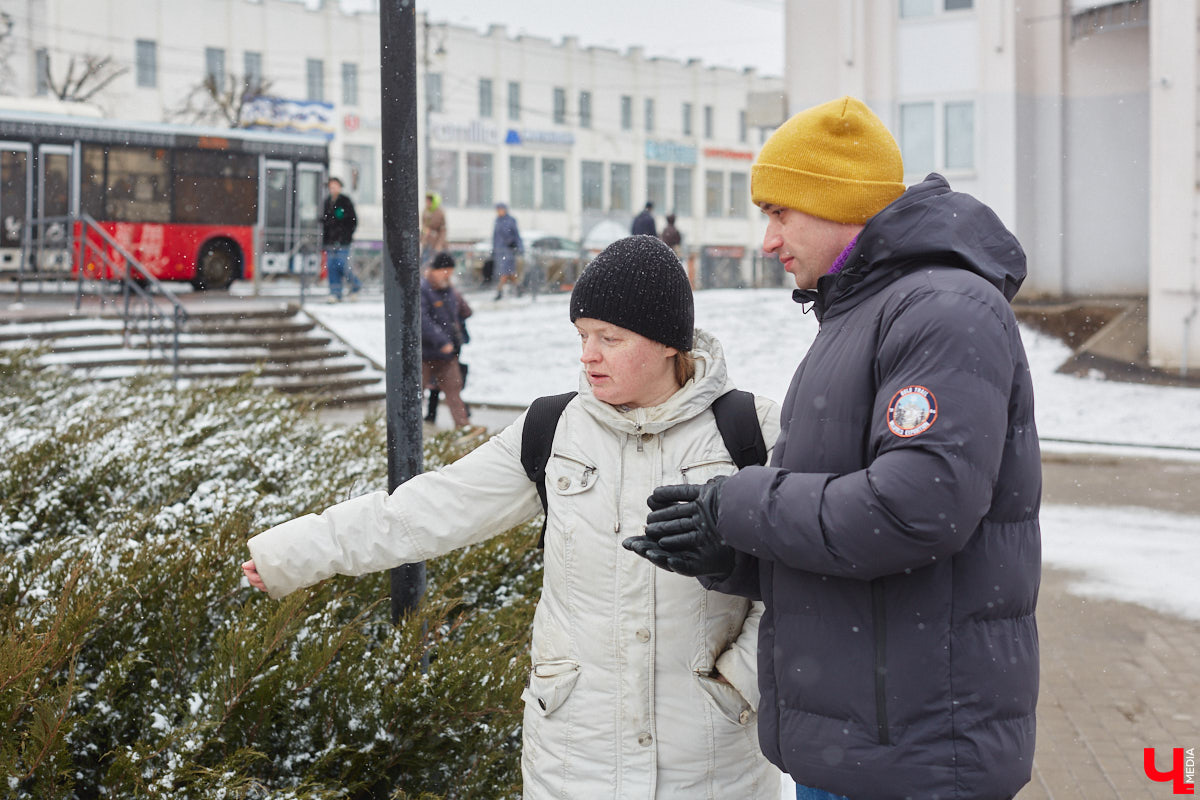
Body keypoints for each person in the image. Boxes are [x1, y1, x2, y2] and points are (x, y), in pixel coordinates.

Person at [241, 235, 783, 800]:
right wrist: (291, 554)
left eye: (610, 338)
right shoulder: (552, 431)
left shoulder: (752, 433)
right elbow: (424, 510)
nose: (587, 354)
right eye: (582, 336)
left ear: (669, 343)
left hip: (714, 765)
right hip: (573, 763)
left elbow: (805, 578)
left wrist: (740, 679)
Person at [623, 96, 1042, 800]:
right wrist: (732, 557)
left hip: (918, 758)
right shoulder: (858, 315)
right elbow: (848, 533)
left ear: (837, 200)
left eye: (779, 212)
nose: (768, 241)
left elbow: (915, 509)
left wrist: (739, 501)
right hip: (863, 744)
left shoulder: (940, 309)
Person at [417, 251, 474, 430]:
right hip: (426, 353)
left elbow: (463, 312)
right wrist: (441, 341)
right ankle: (407, 429)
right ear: (434, 270)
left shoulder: (449, 290)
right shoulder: (423, 290)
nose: (447, 274)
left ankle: (463, 427)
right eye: (445, 270)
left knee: (454, 391)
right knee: (415, 393)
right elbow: (423, 321)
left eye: (450, 271)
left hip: (448, 354)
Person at [321, 177, 361, 302]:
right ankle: (335, 292)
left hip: (343, 241)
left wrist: (346, 235)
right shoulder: (327, 202)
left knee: (342, 265)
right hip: (330, 241)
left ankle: (355, 286)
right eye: (330, 187)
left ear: (339, 187)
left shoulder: (345, 201)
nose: (332, 189)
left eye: (334, 186)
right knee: (332, 267)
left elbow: (352, 220)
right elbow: (326, 223)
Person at [491, 202, 523, 300]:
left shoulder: (511, 221)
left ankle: (499, 291)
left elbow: (516, 235)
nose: (499, 211)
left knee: (504, 272)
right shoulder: (497, 221)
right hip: (499, 251)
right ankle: (518, 288)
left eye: (500, 209)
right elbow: (495, 237)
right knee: (509, 273)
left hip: (508, 251)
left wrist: (519, 248)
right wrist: (493, 249)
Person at [420, 191, 447, 267]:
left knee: (434, 264)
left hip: (434, 243)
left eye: (429, 201)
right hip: (426, 242)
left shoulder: (439, 212)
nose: (427, 203)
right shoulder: (425, 211)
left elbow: (443, 230)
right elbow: (424, 226)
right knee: (424, 263)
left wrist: (439, 244)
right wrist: (422, 239)